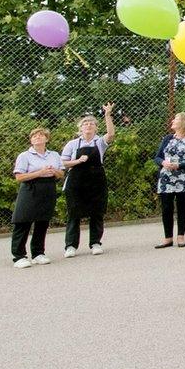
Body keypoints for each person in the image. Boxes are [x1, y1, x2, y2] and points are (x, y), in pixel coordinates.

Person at [59, 104, 115, 258]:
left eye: (91, 123)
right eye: (85, 123)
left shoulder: (99, 142)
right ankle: (70, 246)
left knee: (97, 212)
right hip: (76, 182)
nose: (88, 125)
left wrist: (107, 115)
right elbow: (62, 163)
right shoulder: (72, 144)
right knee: (74, 214)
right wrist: (77, 161)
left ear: (96, 128)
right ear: (80, 128)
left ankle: (96, 243)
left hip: (96, 181)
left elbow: (110, 134)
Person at [10, 128, 66, 268]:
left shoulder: (54, 155)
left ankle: (38, 253)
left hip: (48, 188)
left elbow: (61, 174)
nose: (38, 137)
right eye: (34, 136)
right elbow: (19, 177)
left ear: (47, 139)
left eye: (41, 135)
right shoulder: (24, 156)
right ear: (31, 140)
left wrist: (54, 171)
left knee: (42, 222)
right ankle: (19, 256)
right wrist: (39, 172)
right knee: (23, 222)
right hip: (30, 188)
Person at [152, 112, 185, 249]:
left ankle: (181, 236)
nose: (172, 121)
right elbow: (157, 157)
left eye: (176, 119)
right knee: (166, 208)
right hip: (166, 178)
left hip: (183, 178)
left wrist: (180, 165)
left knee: (182, 207)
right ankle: (168, 238)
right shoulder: (167, 138)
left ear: (184, 122)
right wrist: (163, 163)